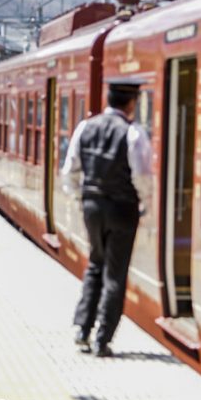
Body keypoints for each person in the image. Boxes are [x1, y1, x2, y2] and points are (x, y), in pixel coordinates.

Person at [61, 79, 152, 358]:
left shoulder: (85, 127)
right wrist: (144, 204)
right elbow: (141, 175)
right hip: (123, 208)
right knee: (115, 273)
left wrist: (80, 197)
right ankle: (103, 337)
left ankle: (82, 328)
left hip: (92, 206)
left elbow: (70, 170)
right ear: (132, 102)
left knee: (95, 263)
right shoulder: (133, 133)